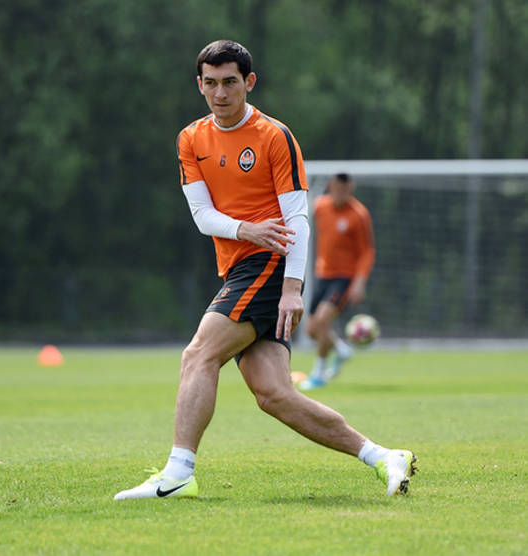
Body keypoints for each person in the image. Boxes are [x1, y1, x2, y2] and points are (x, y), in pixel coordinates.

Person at [113, 40, 415, 501]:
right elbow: (202, 216)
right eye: (211, 83)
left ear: (249, 82)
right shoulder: (190, 138)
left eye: (230, 82)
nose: (220, 93)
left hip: (270, 264)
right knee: (273, 394)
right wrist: (246, 229)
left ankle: (178, 473)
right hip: (240, 264)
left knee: (198, 354)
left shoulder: (275, 136)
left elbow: (297, 219)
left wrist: (293, 288)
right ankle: (383, 456)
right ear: (199, 85)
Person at [299, 173, 375, 390]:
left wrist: (359, 282)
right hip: (322, 274)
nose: (341, 193)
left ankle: (318, 374)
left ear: (351, 188)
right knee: (312, 330)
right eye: (338, 188)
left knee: (323, 320)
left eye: (345, 189)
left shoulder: (358, 214)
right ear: (331, 187)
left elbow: (367, 252)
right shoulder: (320, 207)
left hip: (343, 277)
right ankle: (341, 350)